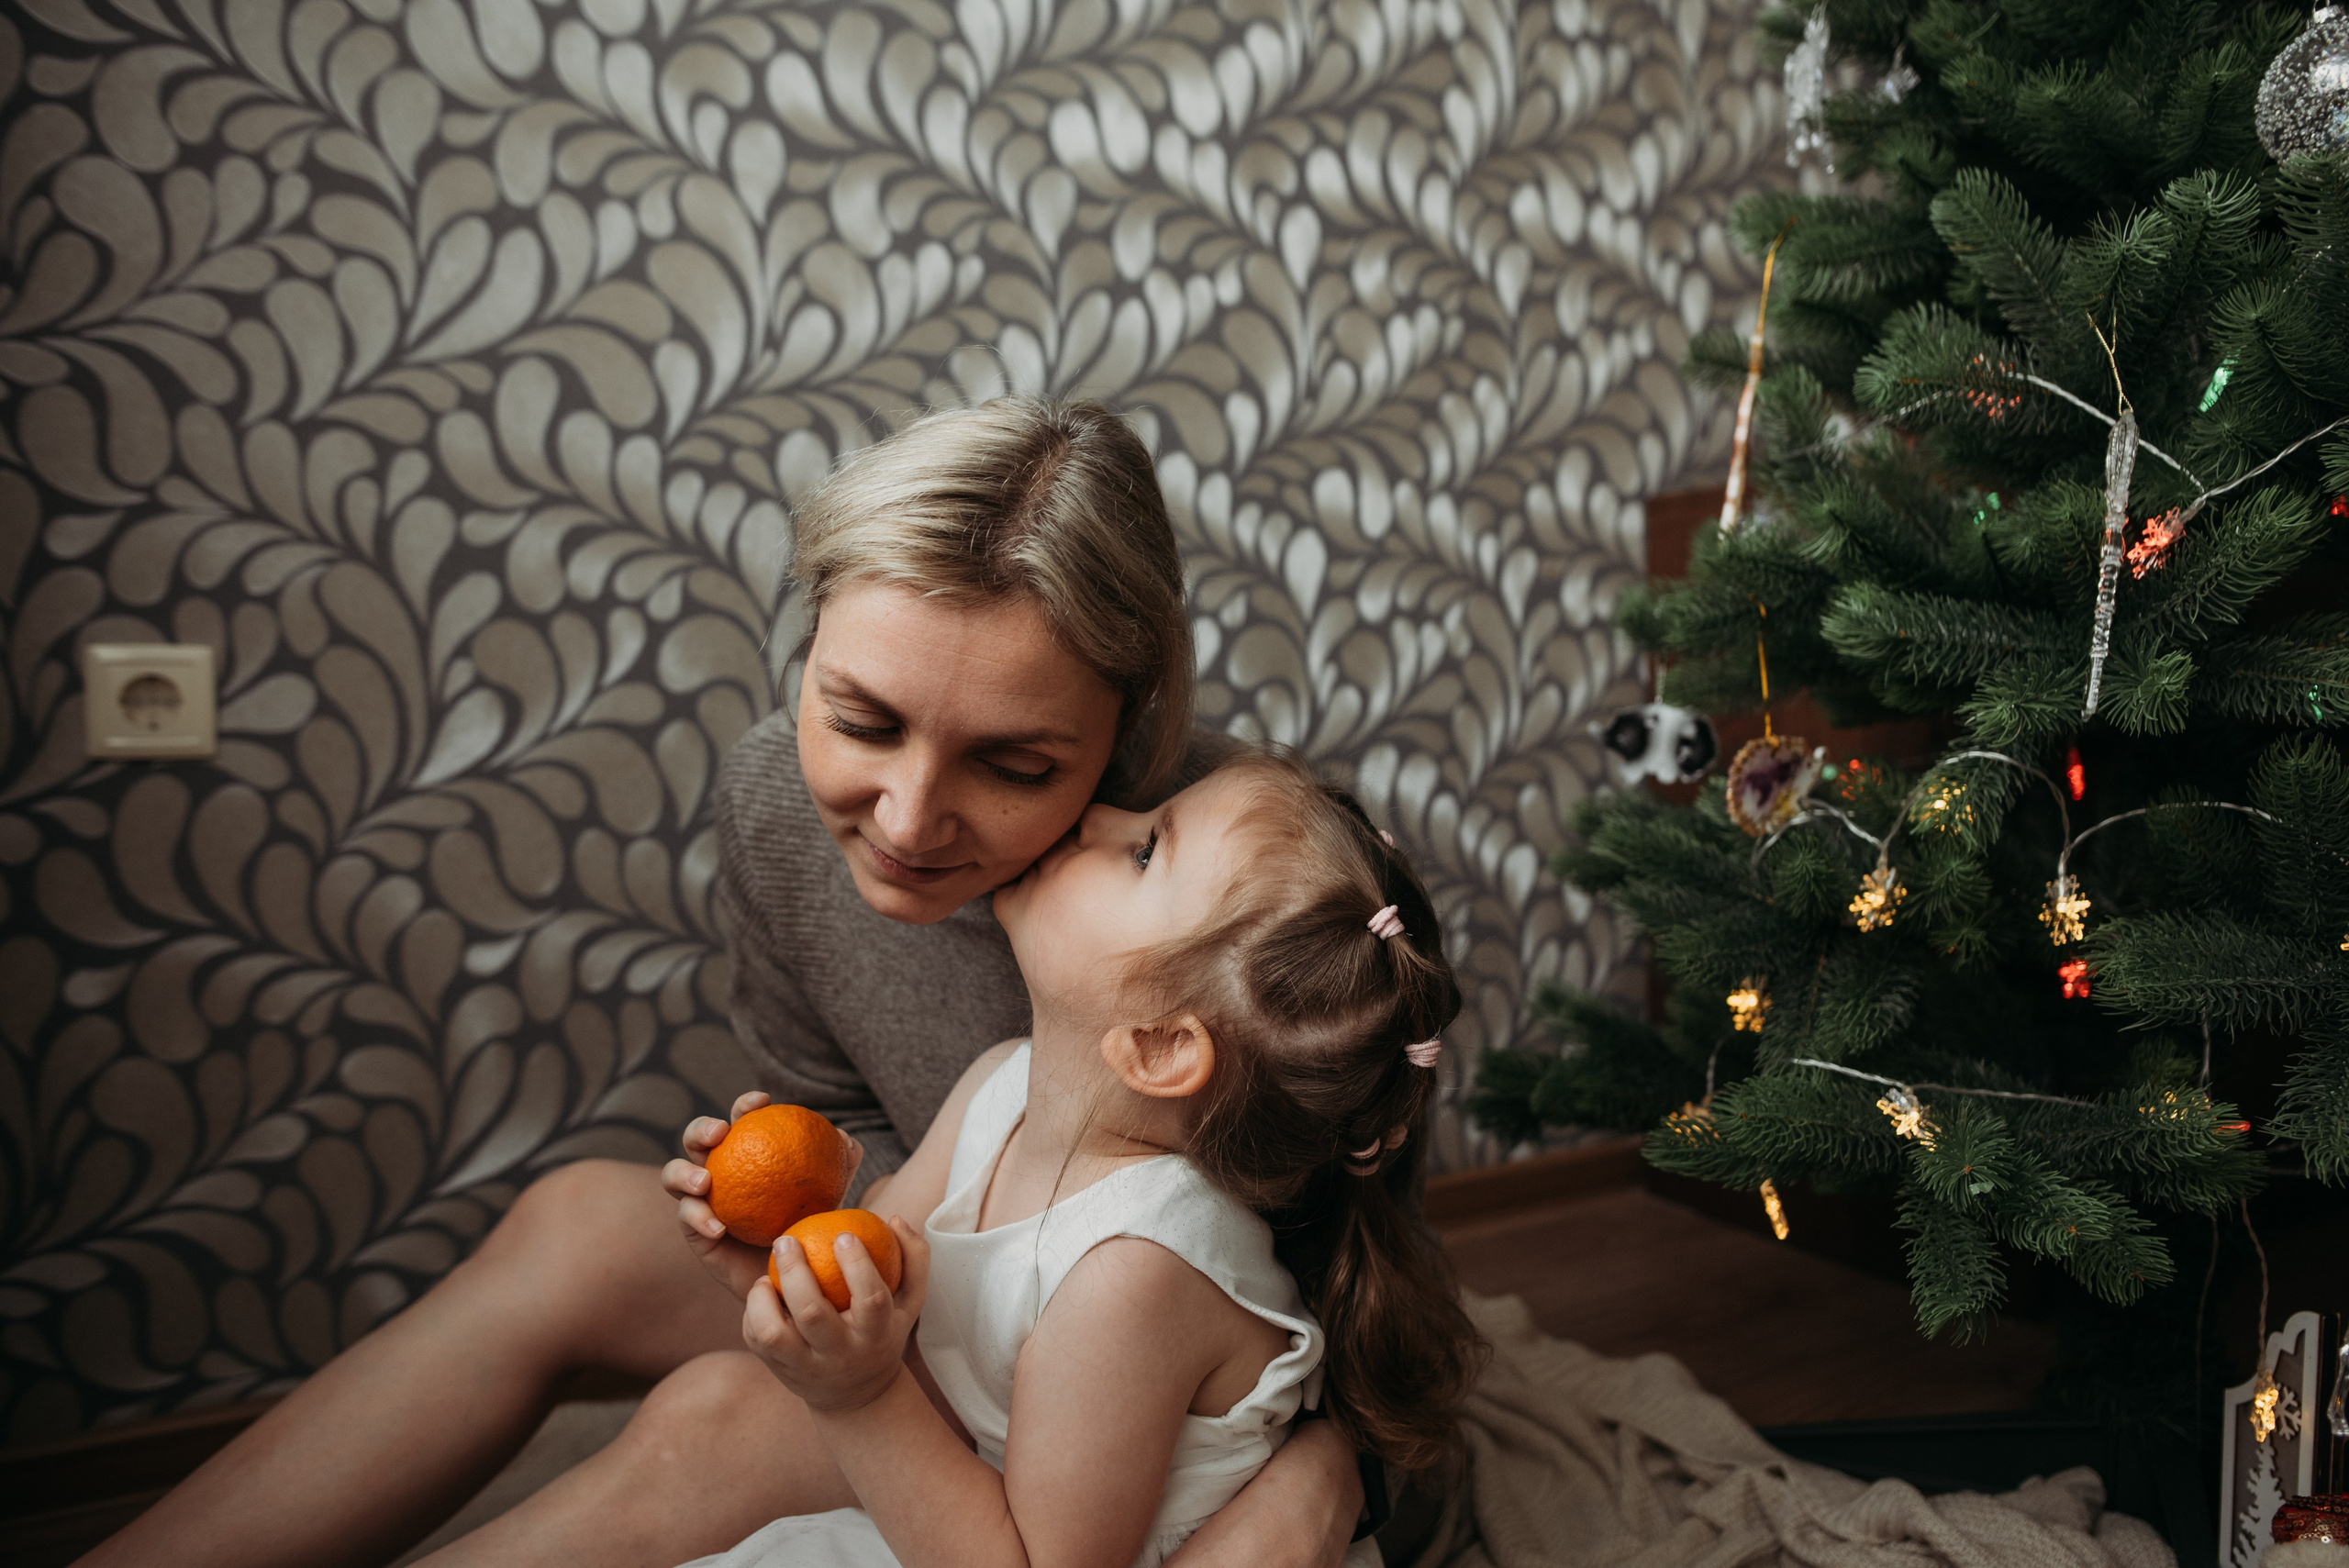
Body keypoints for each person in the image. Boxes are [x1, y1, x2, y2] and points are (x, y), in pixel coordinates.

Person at [80, 401, 1373, 1568]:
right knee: (579, 1224)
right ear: (808, 644)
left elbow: (1340, 1277)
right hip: (945, 1280)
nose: (908, 816)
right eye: (862, 721)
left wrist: (1317, 1487)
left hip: (1118, 1370)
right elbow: (843, 1113)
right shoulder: (774, 796)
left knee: (712, 1425)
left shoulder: (1243, 885)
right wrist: (787, 1209)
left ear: (1129, 729)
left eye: (1018, 765)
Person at [669, 749, 1483, 1568]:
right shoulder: (999, 1083)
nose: (1095, 816)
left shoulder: (1133, 1274)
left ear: (1160, 1047)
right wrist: (782, 1251)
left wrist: (863, 1397)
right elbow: (876, 1281)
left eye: (1144, 850)